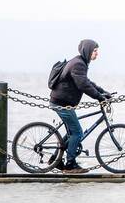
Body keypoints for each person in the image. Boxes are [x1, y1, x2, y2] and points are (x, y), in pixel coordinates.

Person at [48, 39, 114, 171]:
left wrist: (103, 92)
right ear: (88, 51)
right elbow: (83, 85)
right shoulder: (79, 64)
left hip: (61, 101)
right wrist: (99, 98)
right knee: (77, 133)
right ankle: (70, 165)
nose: (97, 54)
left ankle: (55, 159)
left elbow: (87, 82)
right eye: (95, 51)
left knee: (72, 132)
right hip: (62, 103)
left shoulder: (79, 62)